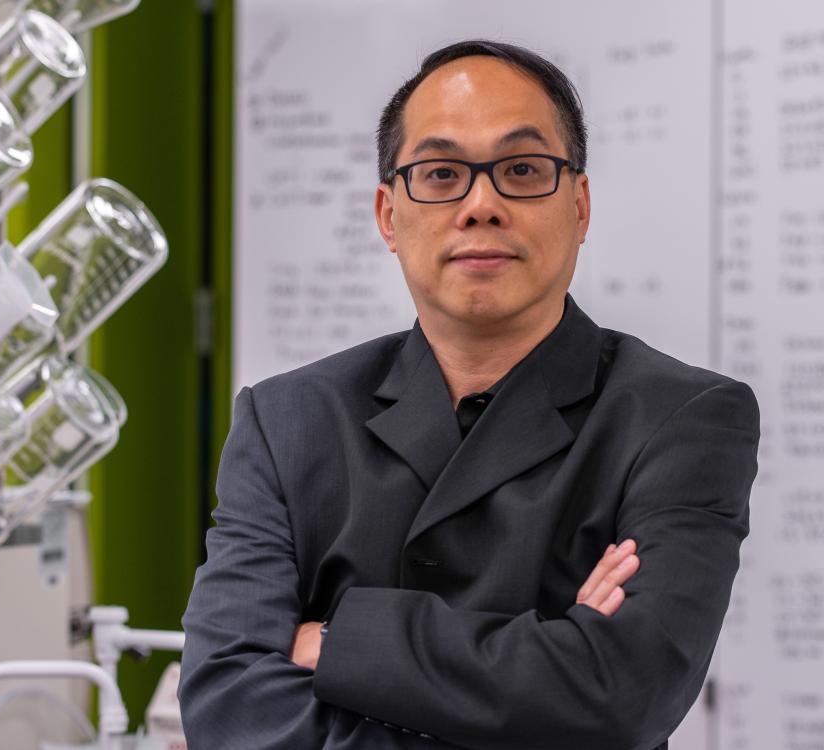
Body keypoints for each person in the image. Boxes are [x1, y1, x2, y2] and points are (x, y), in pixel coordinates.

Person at [179, 39, 760, 750]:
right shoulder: (286, 421)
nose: (481, 204)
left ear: (579, 206)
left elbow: (623, 694)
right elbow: (227, 707)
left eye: (521, 170)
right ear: (389, 216)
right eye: (442, 173)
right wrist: (547, 672)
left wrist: (339, 640)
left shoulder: (682, 420)